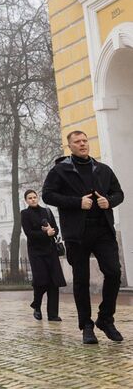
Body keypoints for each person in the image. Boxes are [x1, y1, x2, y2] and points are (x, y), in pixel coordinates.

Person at [42, 130, 125, 344]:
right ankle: (86, 325)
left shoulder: (103, 169)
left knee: (114, 272)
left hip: (103, 231)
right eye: (77, 142)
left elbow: (119, 193)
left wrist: (110, 201)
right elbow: (47, 195)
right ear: (70, 146)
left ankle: (105, 319)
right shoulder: (61, 171)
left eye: (85, 140)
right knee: (81, 281)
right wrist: (77, 202)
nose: (82, 144)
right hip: (77, 234)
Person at [20, 189, 65, 321]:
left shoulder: (47, 211)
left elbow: (56, 229)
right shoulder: (25, 213)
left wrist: (52, 231)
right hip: (36, 252)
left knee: (54, 282)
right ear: (26, 200)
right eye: (30, 198)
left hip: (50, 250)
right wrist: (45, 233)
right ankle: (37, 305)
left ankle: (53, 314)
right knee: (41, 280)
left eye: (34, 197)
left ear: (38, 198)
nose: (33, 199)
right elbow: (29, 233)